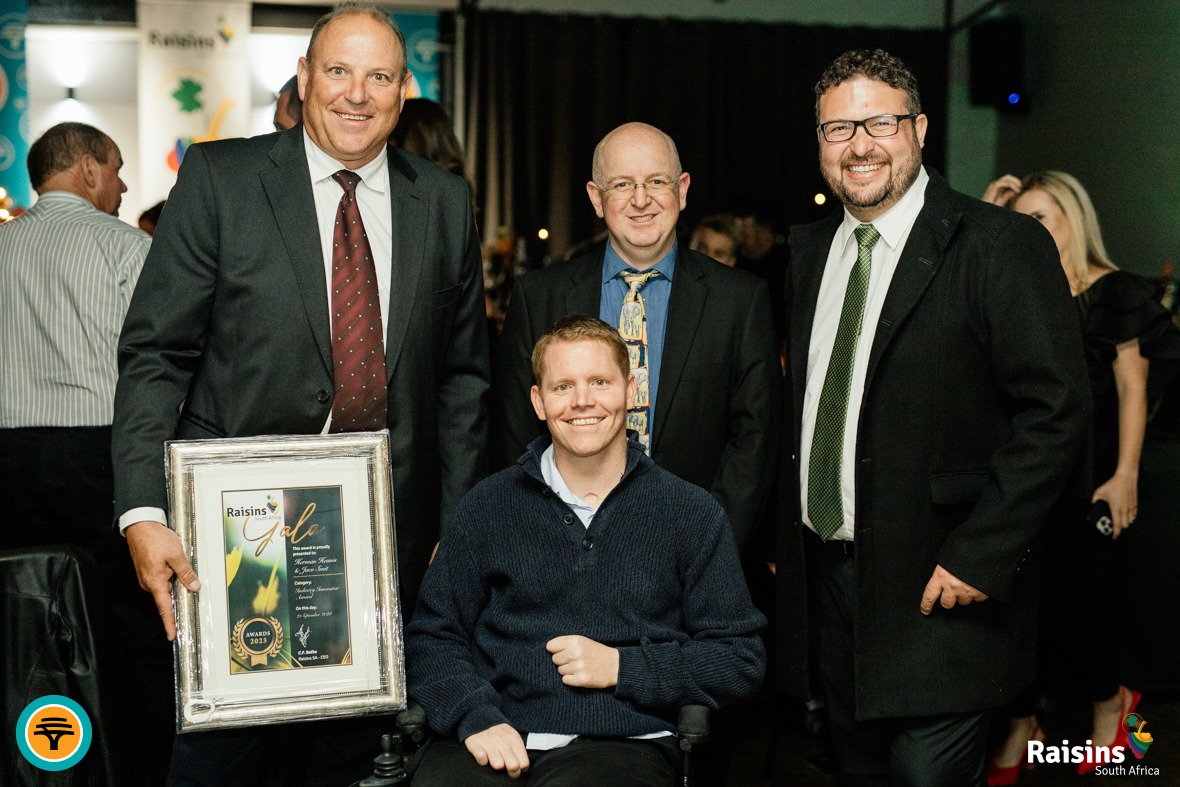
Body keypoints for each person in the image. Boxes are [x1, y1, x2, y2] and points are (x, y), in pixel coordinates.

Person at [112, 3, 488, 783]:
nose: (357, 93)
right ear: (305, 77)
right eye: (339, 70)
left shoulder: (445, 201)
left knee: (349, 762)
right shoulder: (221, 179)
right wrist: (143, 511)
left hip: (382, 545)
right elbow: (157, 353)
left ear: (403, 91)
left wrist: (455, 527)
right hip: (233, 541)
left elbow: (462, 379)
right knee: (220, 763)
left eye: (379, 76)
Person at [776, 49, 1090, 785]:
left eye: (880, 123)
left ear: (919, 129)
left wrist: (982, 552)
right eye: (838, 128)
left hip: (941, 590)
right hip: (831, 588)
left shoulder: (998, 244)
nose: (859, 145)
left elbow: (1056, 410)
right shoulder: (809, 253)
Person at [406, 314, 766, 785]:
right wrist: (473, 715)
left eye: (599, 382)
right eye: (563, 387)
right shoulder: (487, 506)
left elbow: (739, 658)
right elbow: (433, 636)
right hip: (495, 731)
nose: (582, 401)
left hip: (621, 744)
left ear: (630, 391)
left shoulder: (690, 512)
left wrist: (623, 667)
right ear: (538, 401)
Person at [492, 122, 781, 549]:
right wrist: (555, 548)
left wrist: (705, 550)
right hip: (562, 554)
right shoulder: (539, 298)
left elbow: (755, 442)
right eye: (623, 184)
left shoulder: (740, 300)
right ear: (596, 198)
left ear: (682, 190)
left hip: (697, 552)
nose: (641, 199)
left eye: (657, 182)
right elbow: (514, 436)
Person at [982, 171, 1180, 783]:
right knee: (1017, 615)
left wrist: (1124, 475)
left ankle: (1111, 709)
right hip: (1028, 476)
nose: (1031, 229)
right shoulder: (1023, 293)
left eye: (1040, 217)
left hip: (1090, 476)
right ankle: (1023, 726)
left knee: (1083, 609)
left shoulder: (1113, 292)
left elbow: (1132, 388)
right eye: (1022, 220)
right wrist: (989, 212)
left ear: (1072, 218)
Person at [0, 121, 173, 785]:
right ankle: (137, 769)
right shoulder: (127, 247)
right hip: (103, 454)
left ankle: (42, 766)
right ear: (88, 169)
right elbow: (160, 361)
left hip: (10, 459)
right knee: (131, 623)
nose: (123, 185)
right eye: (118, 168)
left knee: (26, 618)